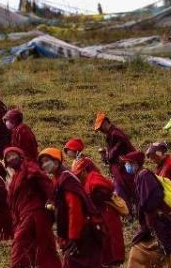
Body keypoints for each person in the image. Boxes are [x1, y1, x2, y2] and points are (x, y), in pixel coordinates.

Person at [39, 148, 105, 268]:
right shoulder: (57, 179)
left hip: (83, 231)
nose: (44, 165)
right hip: (76, 231)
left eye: (46, 160)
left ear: (56, 162)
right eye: (42, 162)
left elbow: (74, 209)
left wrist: (73, 237)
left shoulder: (66, 179)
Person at [65, 138, 126, 267]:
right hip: (100, 209)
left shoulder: (86, 164)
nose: (67, 153)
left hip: (103, 210)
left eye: (69, 150)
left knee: (109, 240)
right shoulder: (80, 163)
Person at [3, 147, 61, 268]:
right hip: (25, 215)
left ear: (20, 156)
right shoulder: (15, 176)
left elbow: (46, 184)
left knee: (23, 243)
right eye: (8, 157)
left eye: (13, 155)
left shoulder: (30, 168)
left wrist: (52, 202)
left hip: (36, 212)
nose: (11, 159)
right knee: (42, 244)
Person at [125, 151, 171, 267]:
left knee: (156, 252)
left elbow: (156, 195)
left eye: (129, 163)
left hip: (155, 222)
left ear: (136, 163)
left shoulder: (144, 175)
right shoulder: (140, 175)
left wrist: (148, 212)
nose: (127, 166)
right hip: (151, 223)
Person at [94, 112, 137, 217]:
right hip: (121, 167)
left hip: (123, 167)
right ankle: (130, 211)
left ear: (105, 123)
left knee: (124, 188)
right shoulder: (112, 133)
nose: (100, 131)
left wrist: (107, 156)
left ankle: (128, 212)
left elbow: (116, 151)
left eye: (100, 128)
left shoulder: (115, 134)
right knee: (125, 188)